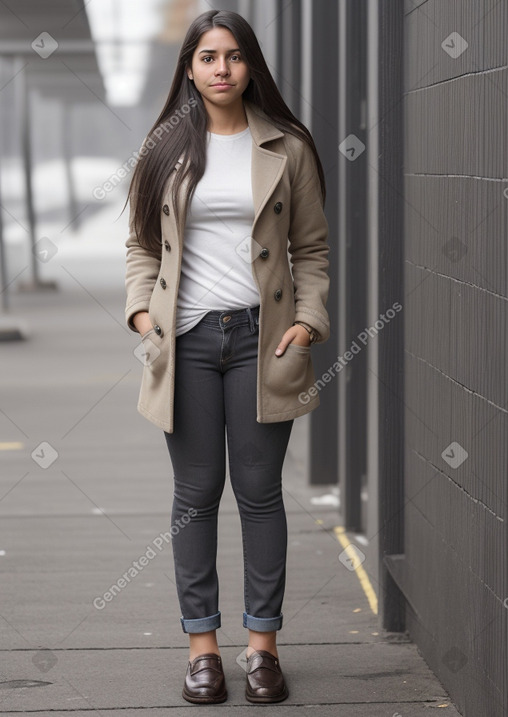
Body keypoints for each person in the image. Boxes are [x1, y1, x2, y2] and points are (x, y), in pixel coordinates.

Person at [124, 8, 330, 705]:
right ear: (189, 67)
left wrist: (306, 323)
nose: (222, 68)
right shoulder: (163, 149)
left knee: (260, 493)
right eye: (208, 56)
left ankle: (263, 648)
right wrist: (145, 315)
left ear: (250, 66)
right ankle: (203, 649)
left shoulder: (288, 147)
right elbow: (140, 248)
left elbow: (312, 251)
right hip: (182, 345)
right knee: (195, 494)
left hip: (259, 341)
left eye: (234, 56)